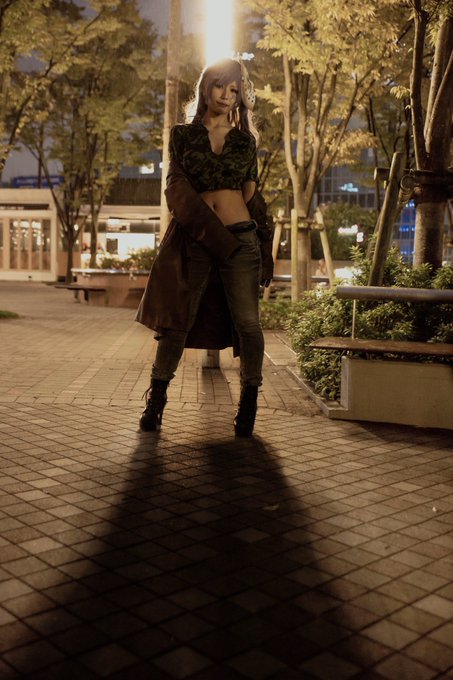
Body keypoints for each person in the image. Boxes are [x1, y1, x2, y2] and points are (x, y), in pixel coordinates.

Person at [136, 58, 274, 437]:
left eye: (234, 90)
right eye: (220, 86)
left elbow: (250, 195)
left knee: (248, 323)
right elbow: (176, 187)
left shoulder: (245, 141)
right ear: (205, 87)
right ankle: (156, 401)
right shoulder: (183, 135)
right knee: (176, 322)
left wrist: (265, 246)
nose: (227, 95)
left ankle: (249, 402)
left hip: (240, 240)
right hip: (196, 239)